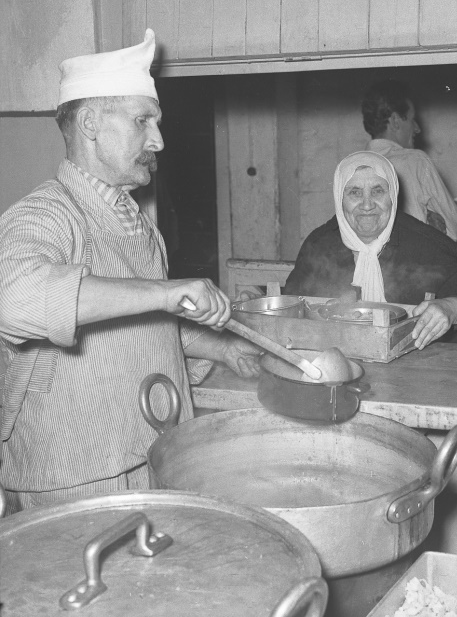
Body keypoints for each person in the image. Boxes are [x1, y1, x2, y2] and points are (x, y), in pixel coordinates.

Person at [0, 30, 261, 514]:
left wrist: (222, 347)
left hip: (151, 449)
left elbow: (143, 324)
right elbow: (14, 300)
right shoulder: (43, 215)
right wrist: (164, 292)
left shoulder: (138, 224)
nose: (159, 139)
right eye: (143, 120)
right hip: (76, 474)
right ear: (91, 124)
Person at [284, 151, 457, 349]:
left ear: (393, 196)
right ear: (339, 197)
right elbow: (289, 306)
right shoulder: (320, 244)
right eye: (354, 192)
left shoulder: (422, 242)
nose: (367, 204)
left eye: (378, 191)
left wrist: (451, 309)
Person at [362, 80, 457, 241]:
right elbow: (453, 229)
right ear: (395, 121)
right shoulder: (415, 161)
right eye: (411, 119)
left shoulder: (353, 167)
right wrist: (428, 217)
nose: (417, 128)